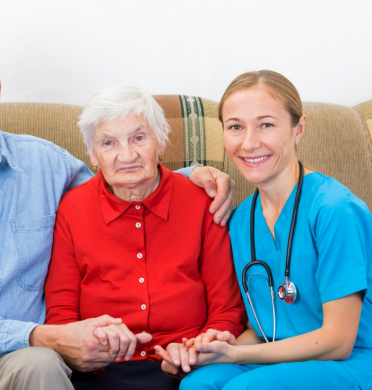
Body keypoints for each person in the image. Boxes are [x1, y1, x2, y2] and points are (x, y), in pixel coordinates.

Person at [0, 29, 235, 390]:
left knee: (42, 365)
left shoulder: (45, 164)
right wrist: (39, 335)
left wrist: (192, 178)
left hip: (14, 362)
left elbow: (118, 186)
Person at [155, 70, 372, 390]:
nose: (249, 143)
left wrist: (234, 356)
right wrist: (211, 350)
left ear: (298, 129)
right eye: (236, 127)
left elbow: (339, 340)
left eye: (266, 124)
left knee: (244, 388)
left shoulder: (334, 209)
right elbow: (263, 327)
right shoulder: (240, 221)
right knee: (197, 383)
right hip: (281, 358)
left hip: (356, 361)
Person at [44, 85, 247, 390]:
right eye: (109, 143)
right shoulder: (72, 208)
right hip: (98, 370)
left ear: (161, 141)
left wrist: (199, 348)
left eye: (139, 138)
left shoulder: (203, 201)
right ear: (93, 154)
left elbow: (227, 309)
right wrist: (87, 346)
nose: (127, 155)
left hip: (187, 367)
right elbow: (61, 313)